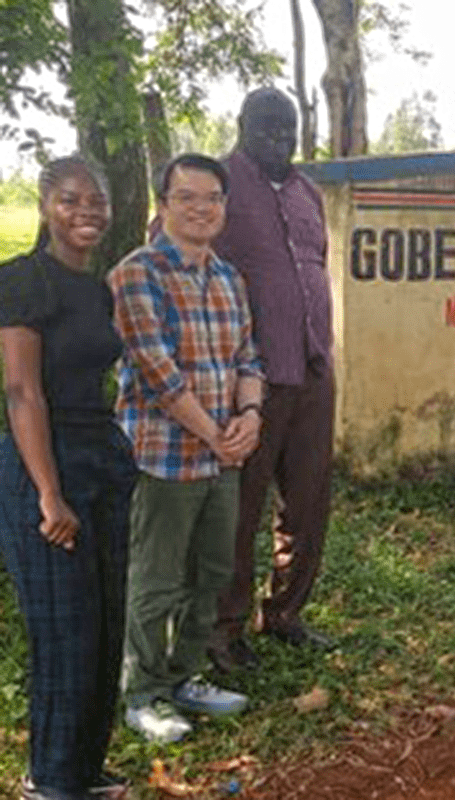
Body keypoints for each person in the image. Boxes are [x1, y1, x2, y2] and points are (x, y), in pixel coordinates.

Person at [109, 153, 265, 742]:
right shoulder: (136, 274)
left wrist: (249, 415)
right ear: (163, 204)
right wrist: (220, 438)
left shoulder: (228, 278)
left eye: (213, 198)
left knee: (211, 572)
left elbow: (247, 358)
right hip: (163, 459)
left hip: (221, 456)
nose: (202, 208)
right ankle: (143, 693)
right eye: (187, 197)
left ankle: (184, 677)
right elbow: (158, 374)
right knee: (156, 579)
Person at [0, 156, 135, 800]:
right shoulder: (23, 281)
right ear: (46, 205)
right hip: (42, 465)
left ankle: (85, 770)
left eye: (98, 201)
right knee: (63, 629)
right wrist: (49, 493)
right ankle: (49, 781)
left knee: (106, 622)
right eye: (71, 200)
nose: (87, 212)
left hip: (102, 458)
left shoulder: (96, 286)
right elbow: (23, 392)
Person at [210, 86, 336, 672]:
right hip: (250, 382)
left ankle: (284, 612)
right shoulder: (219, 188)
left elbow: (313, 268)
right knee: (241, 511)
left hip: (312, 371)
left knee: (309, 504)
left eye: (287, 131)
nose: (279, 141)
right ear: (241, 127)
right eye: (266, 130)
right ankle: (223, 630)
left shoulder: (308, 192)